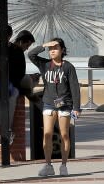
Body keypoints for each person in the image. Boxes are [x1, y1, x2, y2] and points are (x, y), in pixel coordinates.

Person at [28, 38, 81, 177]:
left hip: (65, 104)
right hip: (48, 103)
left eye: (55, 48)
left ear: (62, 50)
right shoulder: (45, 64)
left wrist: (77, 107)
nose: (52, 51)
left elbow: (75, 87)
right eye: (50, 49)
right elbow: (31, 55)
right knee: (47, 134)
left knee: (64, 134)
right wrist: (44, 45)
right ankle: (48, 165)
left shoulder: (68, 67)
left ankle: (64, 165)